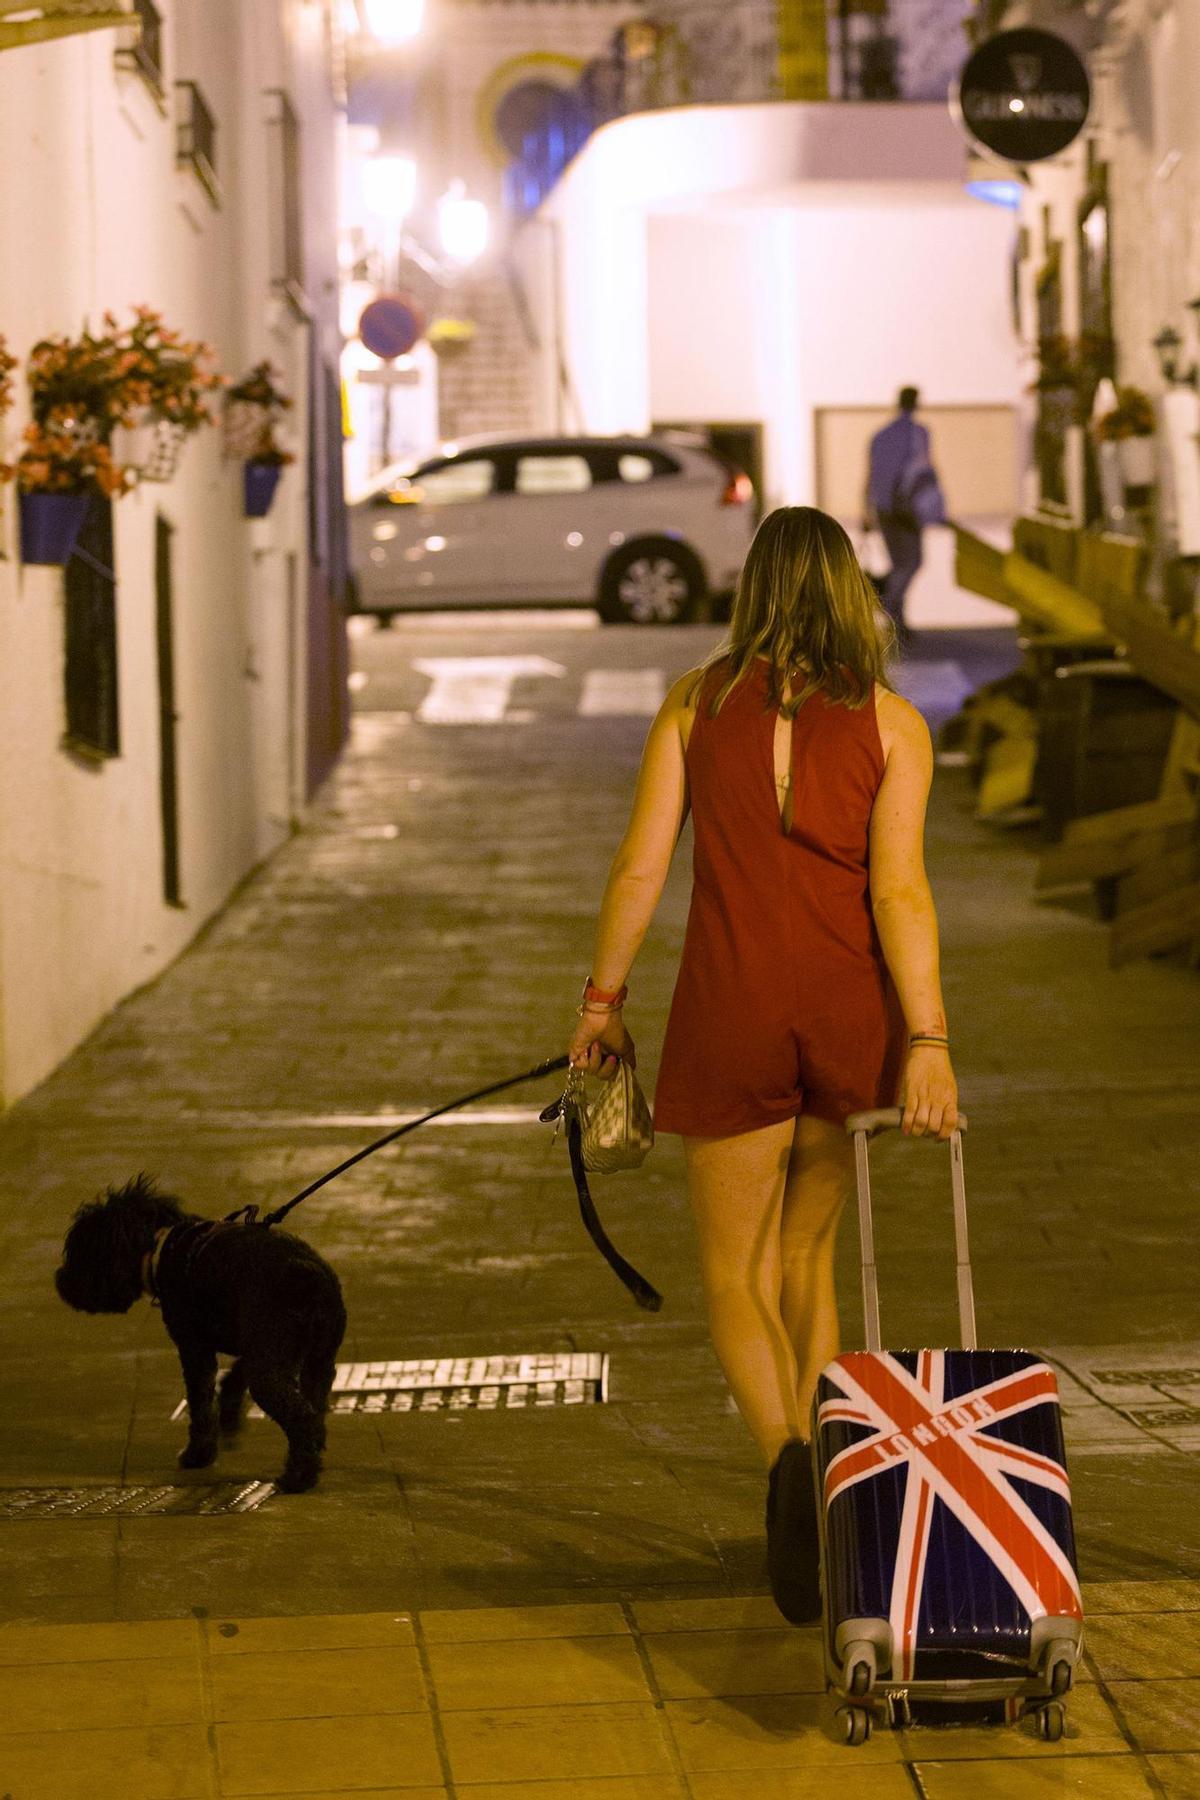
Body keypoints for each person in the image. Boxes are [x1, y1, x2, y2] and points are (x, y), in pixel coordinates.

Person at [567, 506, 958, 1624]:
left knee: (733, 1273)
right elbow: (901, 894)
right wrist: (926, 1042)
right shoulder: (891, 723)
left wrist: (603, 1004)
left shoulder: (696, 707)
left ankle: (789, 1461)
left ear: (753, 588)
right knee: (809, 1258)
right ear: (848, 591)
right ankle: (831, 1493)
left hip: (728, 1009)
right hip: (846, 1016)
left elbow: (642, 867)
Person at [864, 386, 945, 644]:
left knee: (902, 563)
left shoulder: (881, 436)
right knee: (910, 561)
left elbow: (871, 477)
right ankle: (892, 609)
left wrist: (867, 511)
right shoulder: (917, 433)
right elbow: (922, 473)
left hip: (885, 508)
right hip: (906, 509)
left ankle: (896, 616)